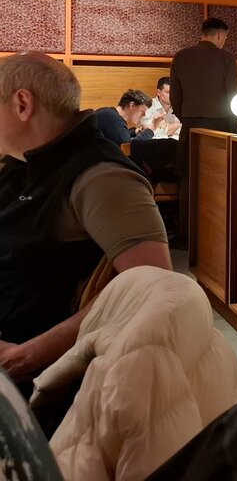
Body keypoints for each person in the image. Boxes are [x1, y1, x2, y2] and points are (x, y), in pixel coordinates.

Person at [0, 52, 171, 398]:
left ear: (22, 104)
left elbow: (153, 287)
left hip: (39, 383)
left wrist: (26, 356)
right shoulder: (24, 163)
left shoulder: (101, 176)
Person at [170, 17, 237, 249]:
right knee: (219, 179)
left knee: (189, 179)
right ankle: (215, 235)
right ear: (220, 35)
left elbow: (175, 97)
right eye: (225, 37)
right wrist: (233, 128)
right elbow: (233, 95)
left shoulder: (180, 56)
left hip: (190, 125)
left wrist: (186, 118)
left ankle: (186, 235)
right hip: (220, 126)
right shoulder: (226, 58)